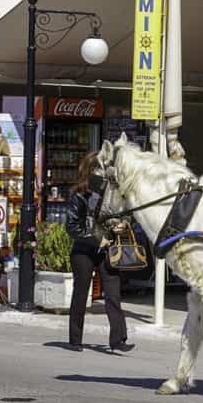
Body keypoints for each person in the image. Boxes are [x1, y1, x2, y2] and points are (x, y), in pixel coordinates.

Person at [66, 151, 133, 354]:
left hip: (107, 249)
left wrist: (122, 225)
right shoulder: (79, 195)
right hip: (84, 251)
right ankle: (75, 339)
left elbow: (125, 214)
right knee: (81, 293)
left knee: (113, 294)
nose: (104, 173)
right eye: (101, 168)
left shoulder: (111, 194)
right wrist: (97, 238)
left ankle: (118, 339)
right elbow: (72, 227)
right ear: (91, 170)